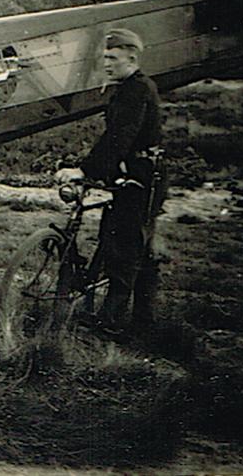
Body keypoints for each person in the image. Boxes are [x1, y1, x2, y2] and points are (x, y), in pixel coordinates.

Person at [55, 28, 167, 333]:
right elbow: (115, 139)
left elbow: (120, 136)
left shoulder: (137, 89)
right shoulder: (126, 87)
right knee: (124, 241)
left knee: (126, 247)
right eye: (104, 57)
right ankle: (144, 319)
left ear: (131, 57)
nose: (106, 64)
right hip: (130, 173)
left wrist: (86, 171)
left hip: (143, 178)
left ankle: (112, 322)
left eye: (113, 58)